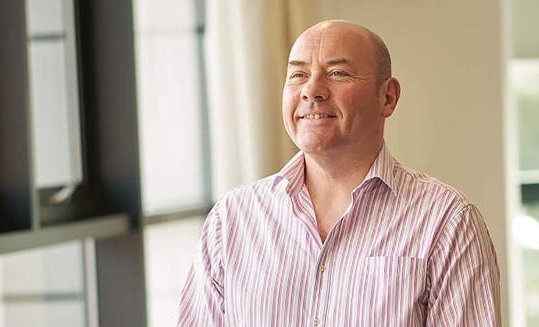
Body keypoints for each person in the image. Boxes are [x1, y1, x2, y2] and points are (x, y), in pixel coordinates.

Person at [178, 20, 501, 326]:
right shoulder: (233, 218)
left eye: (337, 73)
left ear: (387, 97)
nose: (312, 91)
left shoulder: (447, 220)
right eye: (298, 75)